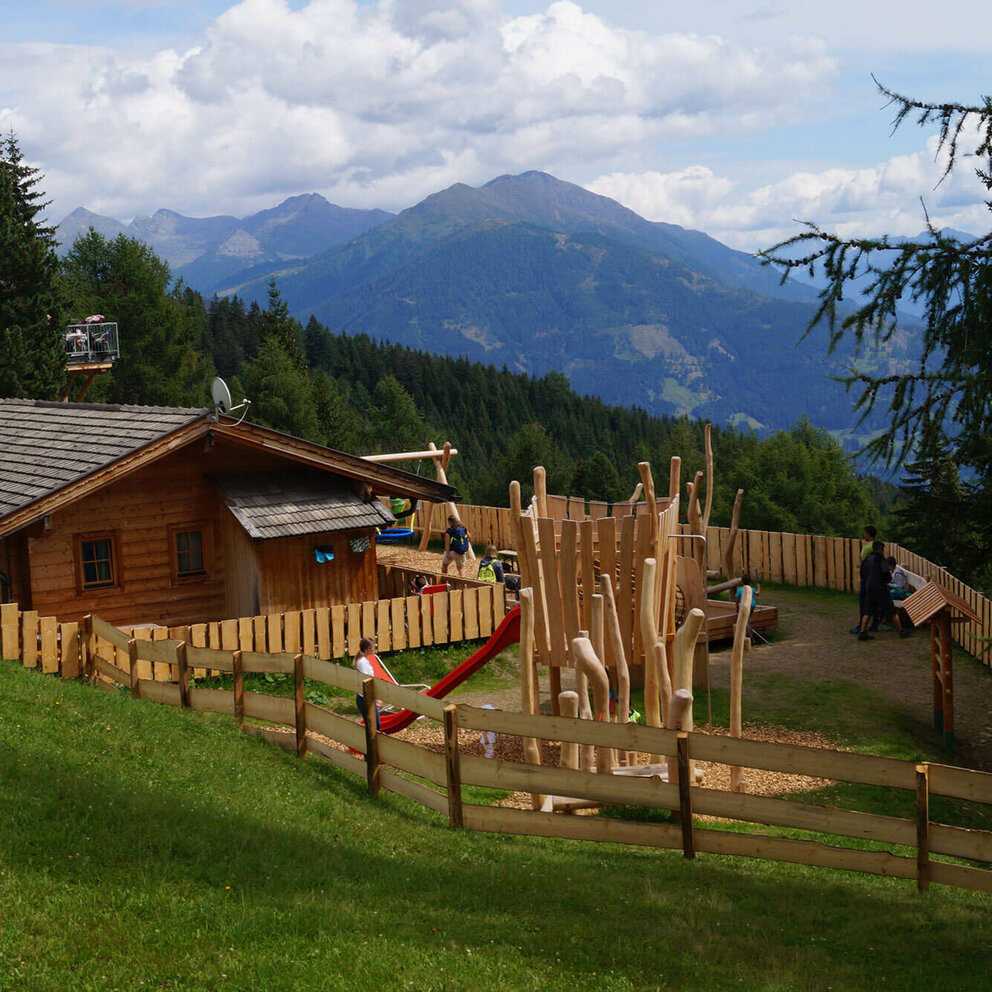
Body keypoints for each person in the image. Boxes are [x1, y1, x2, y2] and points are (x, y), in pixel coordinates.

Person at [858, 542, 911, 641]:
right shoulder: (881, 560)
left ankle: (862, 632)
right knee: (891, 610)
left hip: (869, 587)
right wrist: (886, 581)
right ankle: (901, 631)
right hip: (880, 588)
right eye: (883, 549)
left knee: (868, 611)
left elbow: (862, 572)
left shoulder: (867, 559)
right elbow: (886, 574)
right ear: (880, 549)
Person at [850, 525, 879, 633]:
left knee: (863, 602)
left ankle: (861, 625)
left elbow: (863, 563)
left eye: (865, 533)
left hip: (866, 578)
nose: (864, 534)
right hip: (876, 579)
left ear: (868, 534)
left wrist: (859, 565)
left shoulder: (867, 548)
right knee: (875, 602)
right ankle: (874, 624)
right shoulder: (878, 546)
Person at [354, 636, 381, 730]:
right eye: (373, 647)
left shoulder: (365, 660)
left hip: (367, 697)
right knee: (374, 726)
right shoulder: (362, 663)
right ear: (368, 648)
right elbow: (367, 681)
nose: (373, 649)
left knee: (375, 725)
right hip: (365, 698)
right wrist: (376, 698)